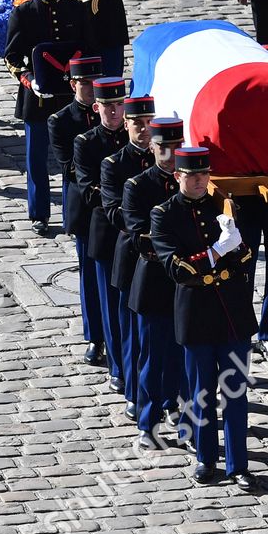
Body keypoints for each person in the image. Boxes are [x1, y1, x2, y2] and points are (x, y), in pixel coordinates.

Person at [150, 147, 261, 492]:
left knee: (236, 392)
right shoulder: (164, 215)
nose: (199, 181)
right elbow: (178, 268)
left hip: (232, 313)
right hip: (196, 313)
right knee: (201, 392)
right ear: (178, 177)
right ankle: (206, 458)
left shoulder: (222, 207)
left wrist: (232, 246)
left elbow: (245, 255)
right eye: (192, 175)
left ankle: (238, 464)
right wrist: (217, 251)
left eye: (204, 174)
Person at [6, 0, 85, 234]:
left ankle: (70, 213)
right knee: (36, 158)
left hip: (70, 98)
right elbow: (12, 56)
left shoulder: (77, 10)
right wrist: (29, 80)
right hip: (37, 99)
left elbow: (89, 50)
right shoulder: (24, 12)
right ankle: (39, 212)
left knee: (72, 160)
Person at [125, 116, 186, 450]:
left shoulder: (193, 185)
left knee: (184, 360)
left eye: (176, 147)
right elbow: (139, 237)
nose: (171, 153)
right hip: (153, 281)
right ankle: (147, 423)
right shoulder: (138, 186)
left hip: (185, 284)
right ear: (152, 146)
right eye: (164, 147)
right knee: (152, 360)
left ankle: (181, 414)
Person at [102, 94, 155, 419]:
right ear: (127, 124)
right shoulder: (115, 164)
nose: (145, 130)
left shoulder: (169, 163)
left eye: (150, 123)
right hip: (132, 257)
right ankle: (135, 394)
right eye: (138, 123)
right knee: (132, 335)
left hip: (161, 262)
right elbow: (114, 212)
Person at [75, 78, 130, 392]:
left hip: (132, 232)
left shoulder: (135, 140)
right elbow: (88, 189)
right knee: (110, 304)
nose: (114, 112)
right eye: (107, 106)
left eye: (119, 105)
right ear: (96, 108)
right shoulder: (87, 142)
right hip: (106, 231)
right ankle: (118, 367)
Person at [49, 55, 104, 363]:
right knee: (89, 275)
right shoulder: (61, 121)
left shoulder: (110, 114)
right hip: (85, 207)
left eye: (94, 82)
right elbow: (70, 167)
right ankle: (95, 336)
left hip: (114, 207)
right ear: (73, 85)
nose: (91, 89)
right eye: (85, 83)